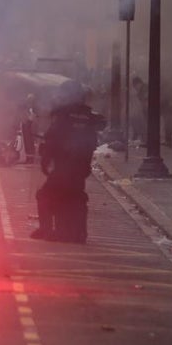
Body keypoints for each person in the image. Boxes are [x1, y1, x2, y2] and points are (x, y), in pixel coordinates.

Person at [30, 81, 107, 243]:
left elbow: (53, 139)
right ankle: (79, 233)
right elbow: (91, 141)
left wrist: (46, 159)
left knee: (46, 195)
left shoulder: (63, 115)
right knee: (76, 198)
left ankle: (48, 230)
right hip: (81, 166)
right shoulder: (88, 116)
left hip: (63, 166)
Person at [19, 93, 37, 164]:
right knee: (26, 144)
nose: (30, 102)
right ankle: (27, 158)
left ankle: (30, 159)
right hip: (26, 128)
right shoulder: (26, 109)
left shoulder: (34, 110)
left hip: (30, 129)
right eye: (29, 100)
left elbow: (34, 119)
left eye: (31, 100)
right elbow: (24, 118)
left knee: (30, 144)